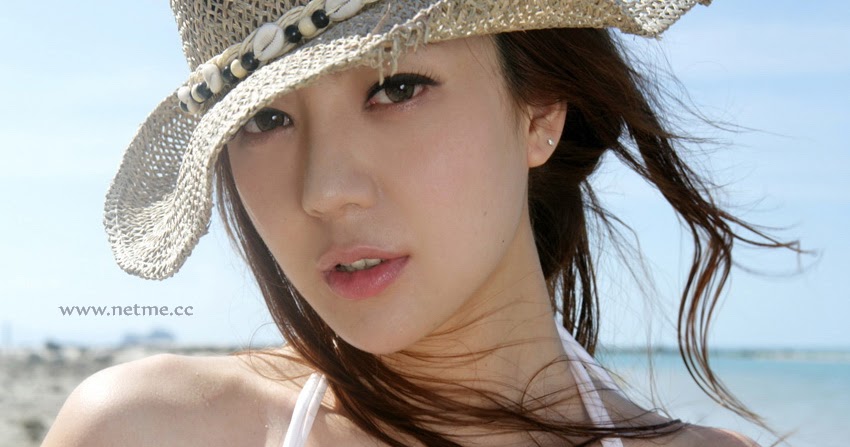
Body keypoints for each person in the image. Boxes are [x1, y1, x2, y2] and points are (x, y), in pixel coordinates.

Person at [42, 0, 793, 446]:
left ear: (540, 110)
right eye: (265, 119)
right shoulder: (146, 432)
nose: (325, 191)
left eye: (397, 87)